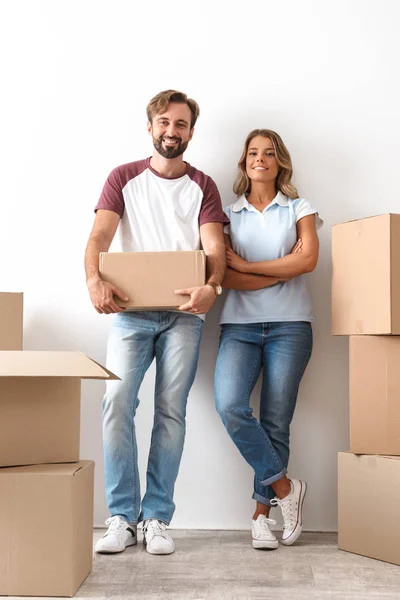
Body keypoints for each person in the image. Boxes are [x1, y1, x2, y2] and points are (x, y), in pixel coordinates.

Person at [85, 90, 228, 555]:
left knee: (171, 411)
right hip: (130, 313)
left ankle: (157, 518)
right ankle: (122, 518)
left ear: (191, 131)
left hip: (185, 316)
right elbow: (99, 236)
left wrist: (213, 285)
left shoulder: (203, 185)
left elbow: (214, 251)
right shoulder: (123, 178)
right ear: (150, 128)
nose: (172, 131)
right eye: (164, 122)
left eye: (182, 124)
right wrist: (94, 280)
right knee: (116, 401)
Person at [214, 129, 322, 550]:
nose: (261, 159)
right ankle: (285, 489)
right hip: (239, 327)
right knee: (230, 405)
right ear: (244, 162)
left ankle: (262, 518)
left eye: (269, 153)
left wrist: (248, 266)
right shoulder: (227, 214)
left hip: (291, 325)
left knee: (277, 421)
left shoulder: (300, 207)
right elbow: (224, 277)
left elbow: (309, 260)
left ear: (281, 162)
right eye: (253, 153)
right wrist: (281, 268)